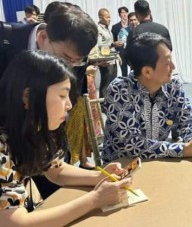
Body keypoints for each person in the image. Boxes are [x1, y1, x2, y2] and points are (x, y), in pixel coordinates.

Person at [0, 50, 132, 225]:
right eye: (62, 96)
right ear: (28, 97)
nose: (69, 105)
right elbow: (16, 223)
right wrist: (95, 199)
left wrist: (99, 177)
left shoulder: (33, 129)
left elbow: (56, 169)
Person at [102, 32, 192, 162]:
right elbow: (131, 145)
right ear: (147, 72)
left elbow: (188, 121)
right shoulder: (120, 90)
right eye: (167, 62)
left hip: (159, 162)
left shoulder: (173, 86)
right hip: (121, 168)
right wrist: (184, 149)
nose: (173, 67)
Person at [96, 8, 122, 98]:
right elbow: (98, 45)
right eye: (107, 17)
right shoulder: (98, 29)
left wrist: (117, 55)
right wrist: (112, 44)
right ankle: (102, 107)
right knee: (105, 85)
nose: (109, 19)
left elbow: (111, 46)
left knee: (113, 85)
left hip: (113, 60)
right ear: (100, 18)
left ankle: (111, 105)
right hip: (105, 61)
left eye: (110, 17)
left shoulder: (108, 29)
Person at [117, 12, 140, 76]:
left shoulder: (142, 29)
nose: (133, 22)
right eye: (131, 20)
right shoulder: (124, 31)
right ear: (128, 21)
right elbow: (121, 42)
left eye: (135, 19)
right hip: (130, 57)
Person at [111, 7, 129, 76]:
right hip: (121, 52)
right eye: (122, 13)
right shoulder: (115, 27)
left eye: (126, 12)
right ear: (119, 14)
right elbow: (113, 40)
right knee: (124, 71)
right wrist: (116, 53)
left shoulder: (131, 25)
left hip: (130, 51)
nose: (124, 14)